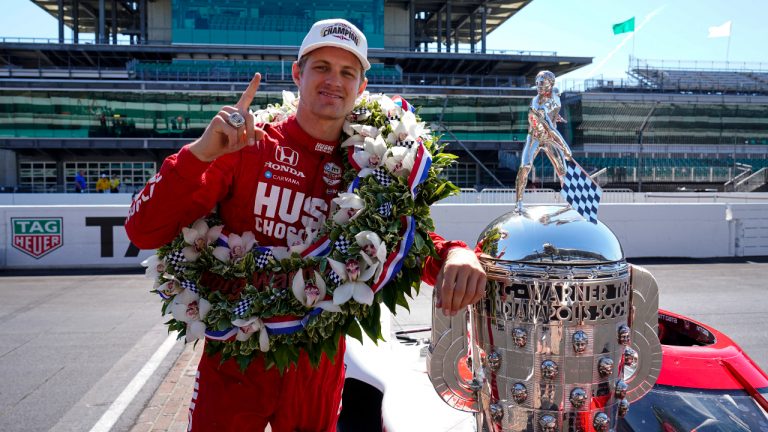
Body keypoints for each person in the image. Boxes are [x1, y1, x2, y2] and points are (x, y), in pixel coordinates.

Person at [125, 18, 485, 432]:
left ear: (361, 87)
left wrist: (456, 254)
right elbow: (144, 231)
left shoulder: (371, 166)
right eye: (322, 67)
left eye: (347, 72)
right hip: (236, 358)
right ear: (297, 74)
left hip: (318, 362)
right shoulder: (247, 144)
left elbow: (405, 241)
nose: (334, 81)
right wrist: (200, 153)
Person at [515, 70, 573, 211]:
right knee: (525, 166)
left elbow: (553, 108)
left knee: (562, 170)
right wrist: (566, 149)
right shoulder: (537, 105)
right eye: (537, 84)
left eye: (541, 83)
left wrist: (556, 116)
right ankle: (519, 202)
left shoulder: (556, 95)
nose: (538, 86)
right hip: (535, 136)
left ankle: (571, 202)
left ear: (550, 84)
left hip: (548, 138)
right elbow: (551, 130)